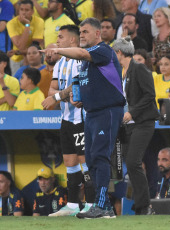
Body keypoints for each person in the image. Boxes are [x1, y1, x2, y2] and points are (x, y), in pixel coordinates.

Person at [43, 17, 125, 219]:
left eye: (85, 32)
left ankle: (103, 206)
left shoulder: (103, 50)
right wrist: (78, 96)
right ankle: (100, 205)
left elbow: (79, 52)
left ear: (98, 33)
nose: (82, 36)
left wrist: (57, 50)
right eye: (80, 33)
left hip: (107, 111)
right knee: (91, 158)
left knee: (99, 156)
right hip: (91, 112)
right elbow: (81, 82)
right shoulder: (86, 63)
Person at [41, 25, 95, 217]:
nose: (57, 40)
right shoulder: (59, 64)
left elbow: (76, 87)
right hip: (66, 118)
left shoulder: (81, 61)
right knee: (69, 161)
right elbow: (51, 91)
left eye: (60, 37)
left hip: (82, 119)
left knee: (85, 161)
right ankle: (72, 205)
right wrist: (62, 95)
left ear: (72, 40)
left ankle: (91, 204)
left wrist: (58, 96)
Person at [113, 37, 159, 215]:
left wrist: (132, 112)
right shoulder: (122, 72)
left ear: (119, 52)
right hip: (128, 125)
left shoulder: (139, 69)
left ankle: (145, 206)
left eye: (113, 53)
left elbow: (149, 96)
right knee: (131, 164)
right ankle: (142, 206)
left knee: (133, 162)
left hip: (143, 122)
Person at [6, 0, 44, 74]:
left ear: (32, 11)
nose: (24, 12)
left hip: (34, 57)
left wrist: (18, 52)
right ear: (18, 11)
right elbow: (20, 46)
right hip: (17, 60)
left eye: (27, 10)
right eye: (21, 9)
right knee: (17, 83)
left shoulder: (39, 21)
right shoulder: (11, 23)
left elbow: (35, 46)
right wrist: (27, 25)